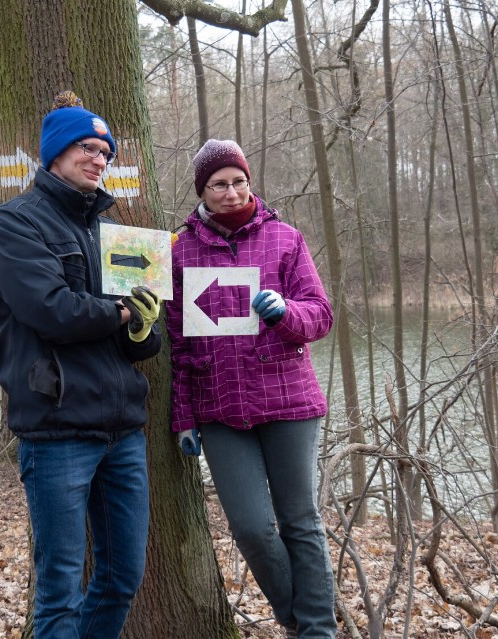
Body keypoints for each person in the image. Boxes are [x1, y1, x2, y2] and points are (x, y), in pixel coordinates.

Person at [0, 91, 162, 639]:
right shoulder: (13, 225)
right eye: (87, 148)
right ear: (54, 153)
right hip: (57, 429)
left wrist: (141, 326)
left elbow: (140, 344)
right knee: (59, 592)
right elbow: (50, 312)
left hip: (123, 430)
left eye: (105, 152)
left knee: (123, 577)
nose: (99, 159)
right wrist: (123, 308)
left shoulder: (114, 236)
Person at [165, 139, 337, 638]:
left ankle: (317, 632)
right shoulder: (180, 251)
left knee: (300, 521)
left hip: (288, 403)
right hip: (220, 409)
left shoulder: (285, 239)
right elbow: (174, 344)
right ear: (202, 190)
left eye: (239, 181)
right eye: (219, 184)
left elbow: (320, 314)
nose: (232, 191)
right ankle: (295, 617)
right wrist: (182, 418)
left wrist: (285, 313)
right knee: (251, 529)